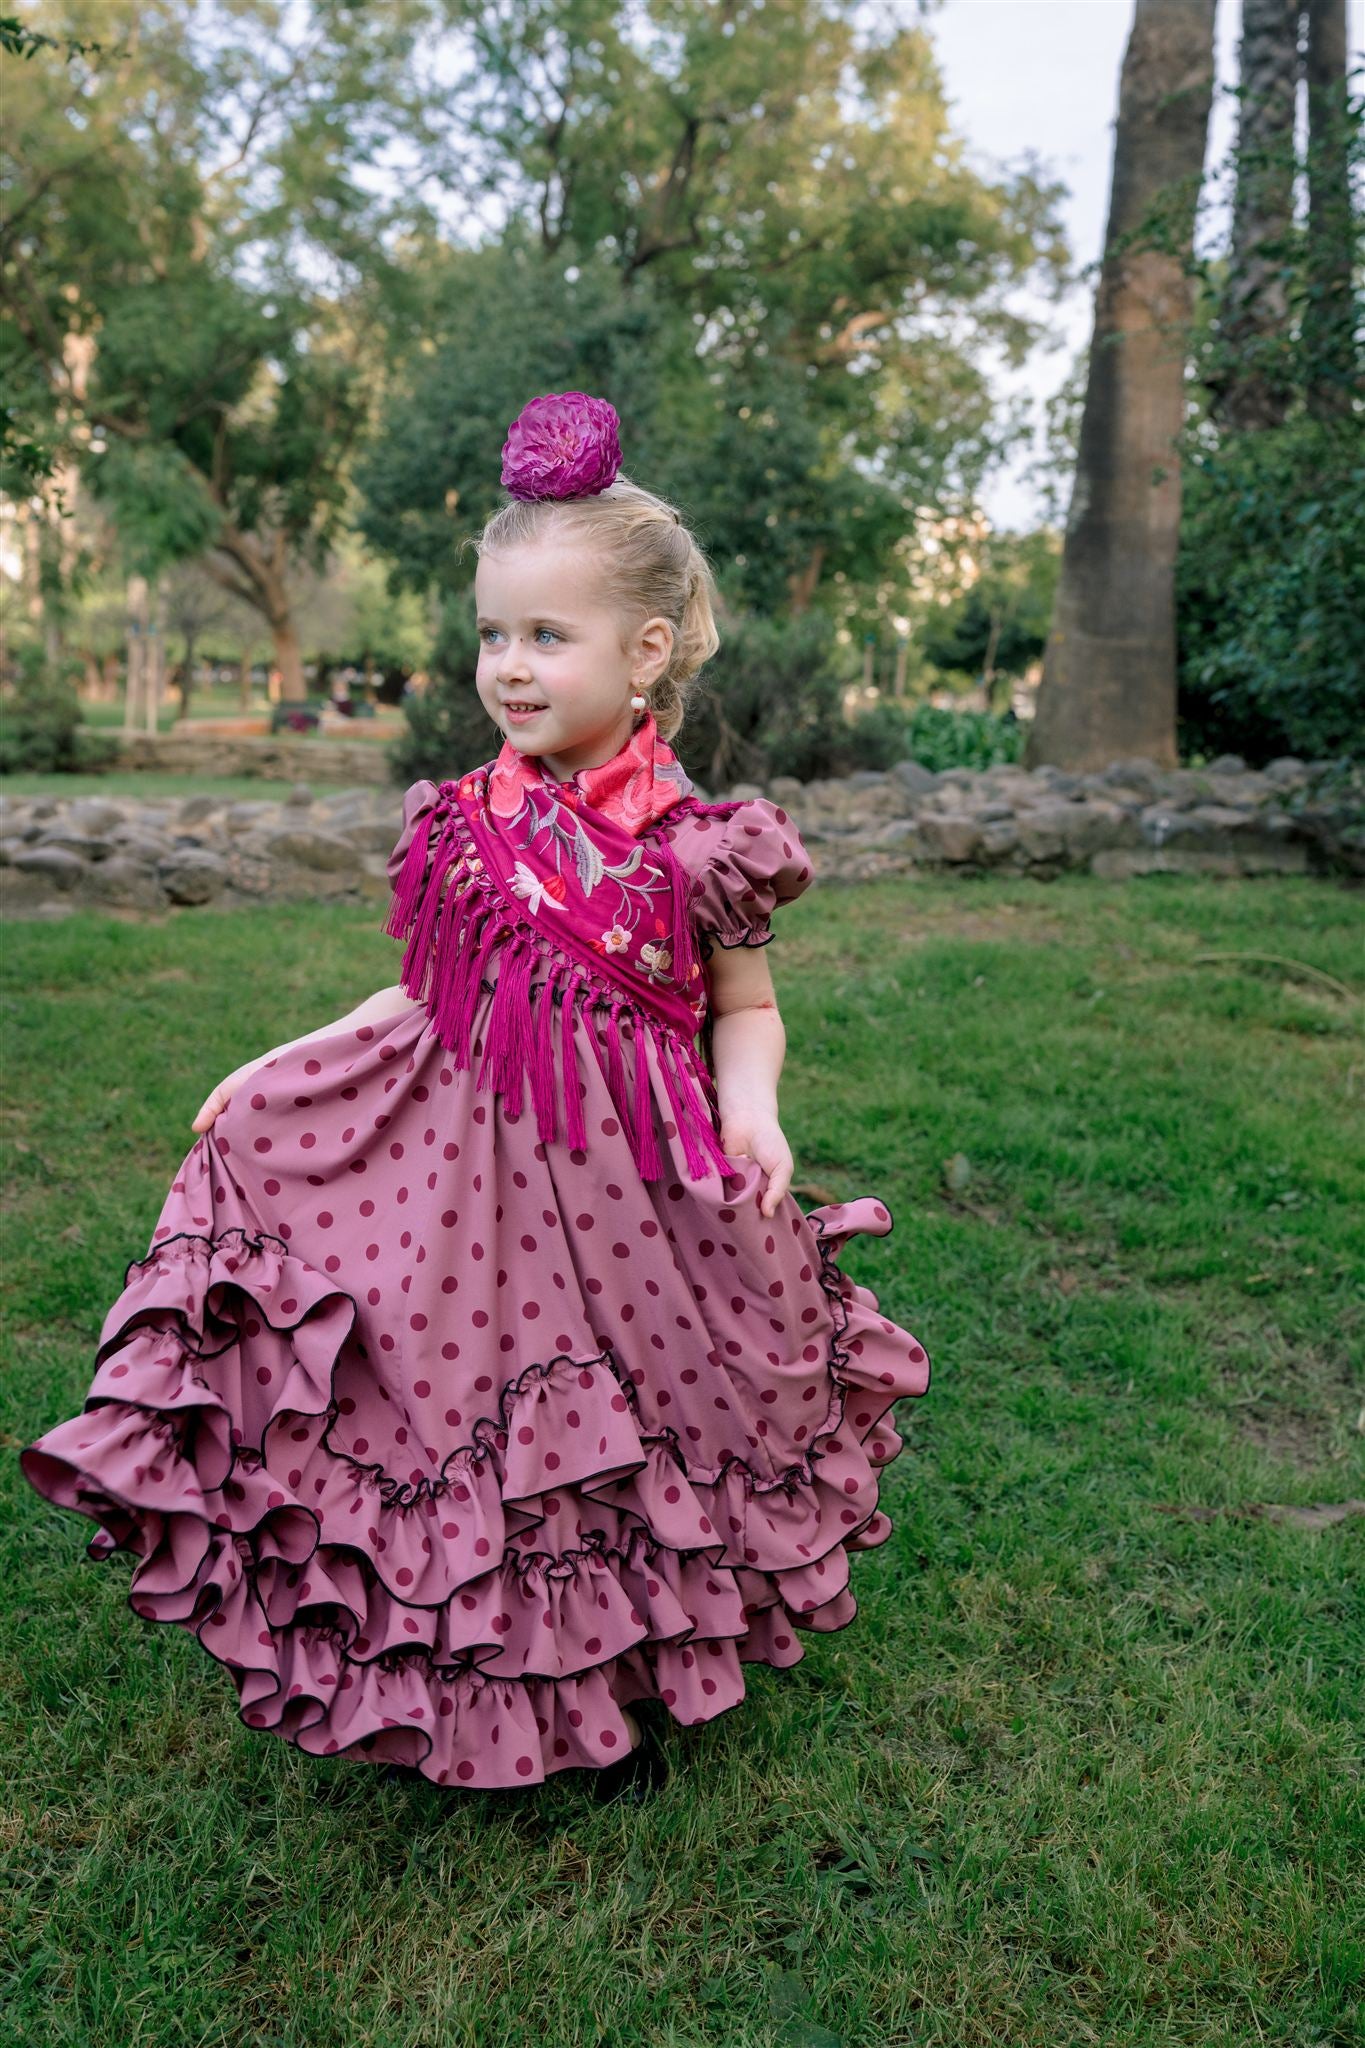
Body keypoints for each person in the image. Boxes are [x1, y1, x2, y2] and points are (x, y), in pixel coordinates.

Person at [18, 392, 931, 1804]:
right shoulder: (463, 821)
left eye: (545, 637)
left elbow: (744, 1009)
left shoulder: (707, 848)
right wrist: (277, 1062)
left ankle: (630, 1671)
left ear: (642, 654)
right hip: (464, 1174)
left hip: (639, 1188)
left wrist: (754, 1112)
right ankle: (461, 1681)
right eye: (493, 634)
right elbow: (422, 993)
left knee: (645, 1414)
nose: (508, 666)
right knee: (466, 1406)